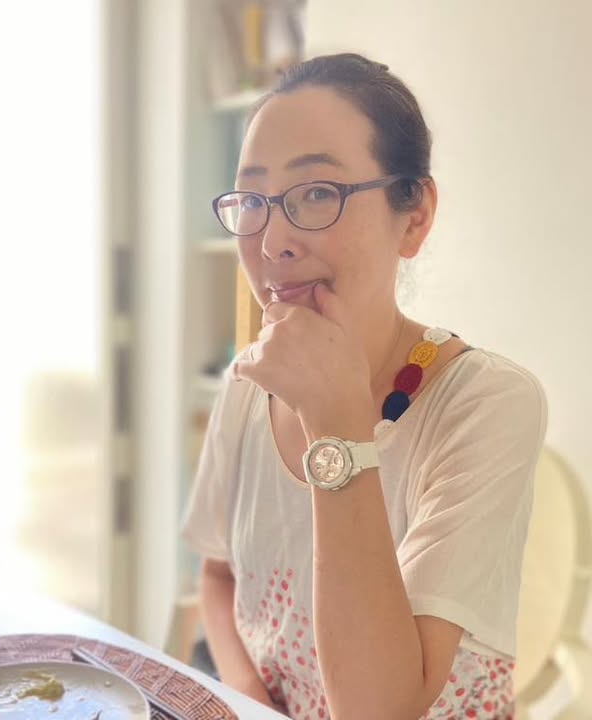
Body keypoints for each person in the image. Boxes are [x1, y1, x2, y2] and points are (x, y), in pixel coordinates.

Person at [182, 53, 546, 720]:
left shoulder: (487, 404)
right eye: (253, 200)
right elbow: (217, 575)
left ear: (414, 217)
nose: (273, 241)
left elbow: (381, 710)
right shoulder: (249, 384)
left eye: (318, 193)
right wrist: (248, 699)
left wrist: (338, 420)